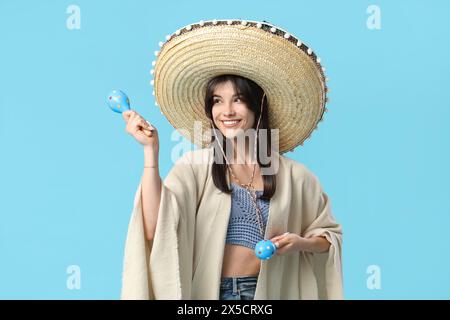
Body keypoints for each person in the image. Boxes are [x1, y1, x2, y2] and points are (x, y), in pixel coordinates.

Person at [121, 19, 343, 300]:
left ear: (257, 103)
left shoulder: (295, 176)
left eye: (237, 99)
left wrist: (300, 243)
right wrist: (150, 153)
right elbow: (154, 227)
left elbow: (329, 237)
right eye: (216, 100)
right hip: (210, 293)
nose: (226, 110)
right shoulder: (194, 168)